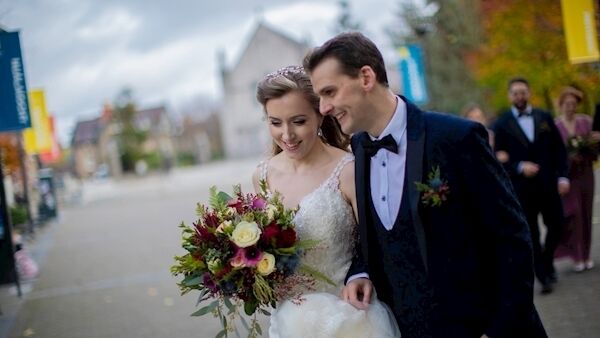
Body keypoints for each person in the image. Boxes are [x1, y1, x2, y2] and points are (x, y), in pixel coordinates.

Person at [304, 32, 546, 338]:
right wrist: (360, 272)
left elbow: (512, 238)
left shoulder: (457, 138)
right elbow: (378, 236)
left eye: (329, 92)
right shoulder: (361, 148)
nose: (323, 108)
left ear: (366, 77)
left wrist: (501, 327)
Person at [252, 65, 400, 337]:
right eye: (275, 123)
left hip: (347, 318)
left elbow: (377, 243)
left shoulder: (348, 170)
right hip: (288, 322)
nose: (287, 135)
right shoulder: (262, 175)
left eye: (298, 121)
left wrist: (363, 274)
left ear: (320, 115)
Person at [493, 77, 570, 294]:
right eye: (515, 93)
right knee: (532, 234)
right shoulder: (501, 124)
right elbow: (498, 158)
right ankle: (543, 276)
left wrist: (563, 177)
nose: (520, 96)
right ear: (510, 96)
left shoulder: (544, 116)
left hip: (549, 185)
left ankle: (546, 260)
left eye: (523, 92)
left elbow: (558, 149)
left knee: (558, 225)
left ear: (529, 93)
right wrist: (518, 166)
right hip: (522, 190)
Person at [554, 86, 598, 272]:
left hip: (586, 173)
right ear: (561, 105)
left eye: (573, 104)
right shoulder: (555, 126)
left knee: (587, 214)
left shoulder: (586, 122)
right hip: (568, 177)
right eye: (567, 104)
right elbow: (553, 153)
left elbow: (595, 147)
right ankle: (577, 256)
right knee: (574, 215)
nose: (570, 107)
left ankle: (586, 255)